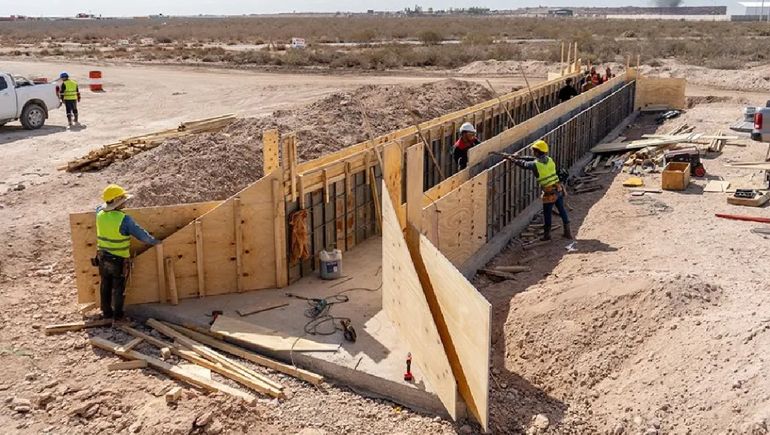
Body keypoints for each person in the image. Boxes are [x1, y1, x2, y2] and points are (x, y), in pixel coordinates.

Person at [95, 184, 159, 321]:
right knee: (119, 288)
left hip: (102, 258)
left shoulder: (99, 214)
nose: (125, 201)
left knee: (105, 284)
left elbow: (99, 208)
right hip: (118, 260)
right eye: (123, 199)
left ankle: (106, 313)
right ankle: (118, 316)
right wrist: (157, 242)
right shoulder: (124, 220)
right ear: (118, 201)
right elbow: (143, 237)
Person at [512, 140, 572, 241]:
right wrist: (518, 157)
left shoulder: (536, 165)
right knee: (561, 210)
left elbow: (524, 164)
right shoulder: (549, 160)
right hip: (558, 189)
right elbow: (531, 159)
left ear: (536, 152)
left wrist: (512, 160)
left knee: (547, 214)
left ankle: (547, 236)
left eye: (533, 151)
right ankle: (568, 232)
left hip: (549, 193)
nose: (532, 153)